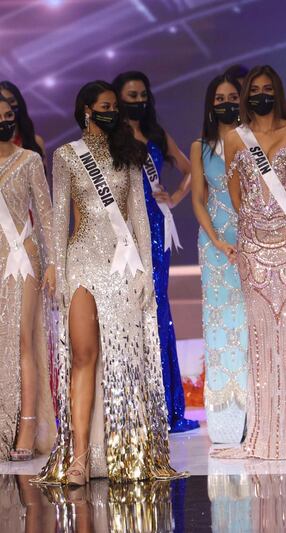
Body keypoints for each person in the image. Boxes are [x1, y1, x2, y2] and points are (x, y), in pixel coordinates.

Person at [34, 80, 180, 484]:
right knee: (83, 356)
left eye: (114, 105)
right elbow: (60, 217)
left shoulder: (128, 152)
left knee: (124, 361)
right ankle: (79, 458)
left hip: (122, 265)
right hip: (82, 263)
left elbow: (137, 216)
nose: (112, 111)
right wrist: (58, 273)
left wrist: (147, 274)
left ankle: (127, 452)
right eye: (105, 106)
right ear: (86, 110)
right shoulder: (65, 155)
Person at [212, 65, 286, 460]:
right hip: (254, 250)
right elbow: (236, 196)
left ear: (277, 91)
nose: (261, 95)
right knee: (260, 340)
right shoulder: (234, 139)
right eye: (254, 90)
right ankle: (265, 431)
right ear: (247, 95)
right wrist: (256, 232)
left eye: (267, 89)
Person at [112, 71, 198, 433]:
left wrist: (175, 198)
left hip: (157, 228)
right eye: (131, 95)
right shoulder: (111, 136)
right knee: (128, 309)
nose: (138, 100)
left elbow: (192, 169)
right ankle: (132, 405)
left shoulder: (158, 135)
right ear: (118, 99)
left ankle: (166, 404)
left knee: (158, 310)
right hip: (125, 231)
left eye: (142, 94)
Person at [190, 73, 248, 443]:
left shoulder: (252, 142)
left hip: (252, 242)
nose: (226, 102)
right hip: (214, 247)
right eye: (220, 97)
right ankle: (227, 422)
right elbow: (198, 198)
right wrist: (217, 240)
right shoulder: (200, 146)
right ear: (211, 104)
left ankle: (256, 416)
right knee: (221, 325)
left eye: (233, 97)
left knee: (251, 326)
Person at [0, 96, 56, 462]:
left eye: (8, 115)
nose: (5, 121)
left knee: (24, 341)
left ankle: (26, 426)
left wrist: (53, 264)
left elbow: (48, 214)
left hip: (22, 258)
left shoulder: (29, 160)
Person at [0, 81, 46, 158]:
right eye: (3, 102)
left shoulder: (36, 141)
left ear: (19, 102)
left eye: (11, 101)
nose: (8, 106)